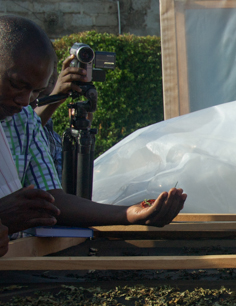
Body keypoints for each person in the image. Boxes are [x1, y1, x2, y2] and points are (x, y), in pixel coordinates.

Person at [0, 15, 187, 236]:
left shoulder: (24, 120)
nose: (24, 100)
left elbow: (53, 200)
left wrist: (128, 214)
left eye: (37, 93)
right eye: (16, 85)